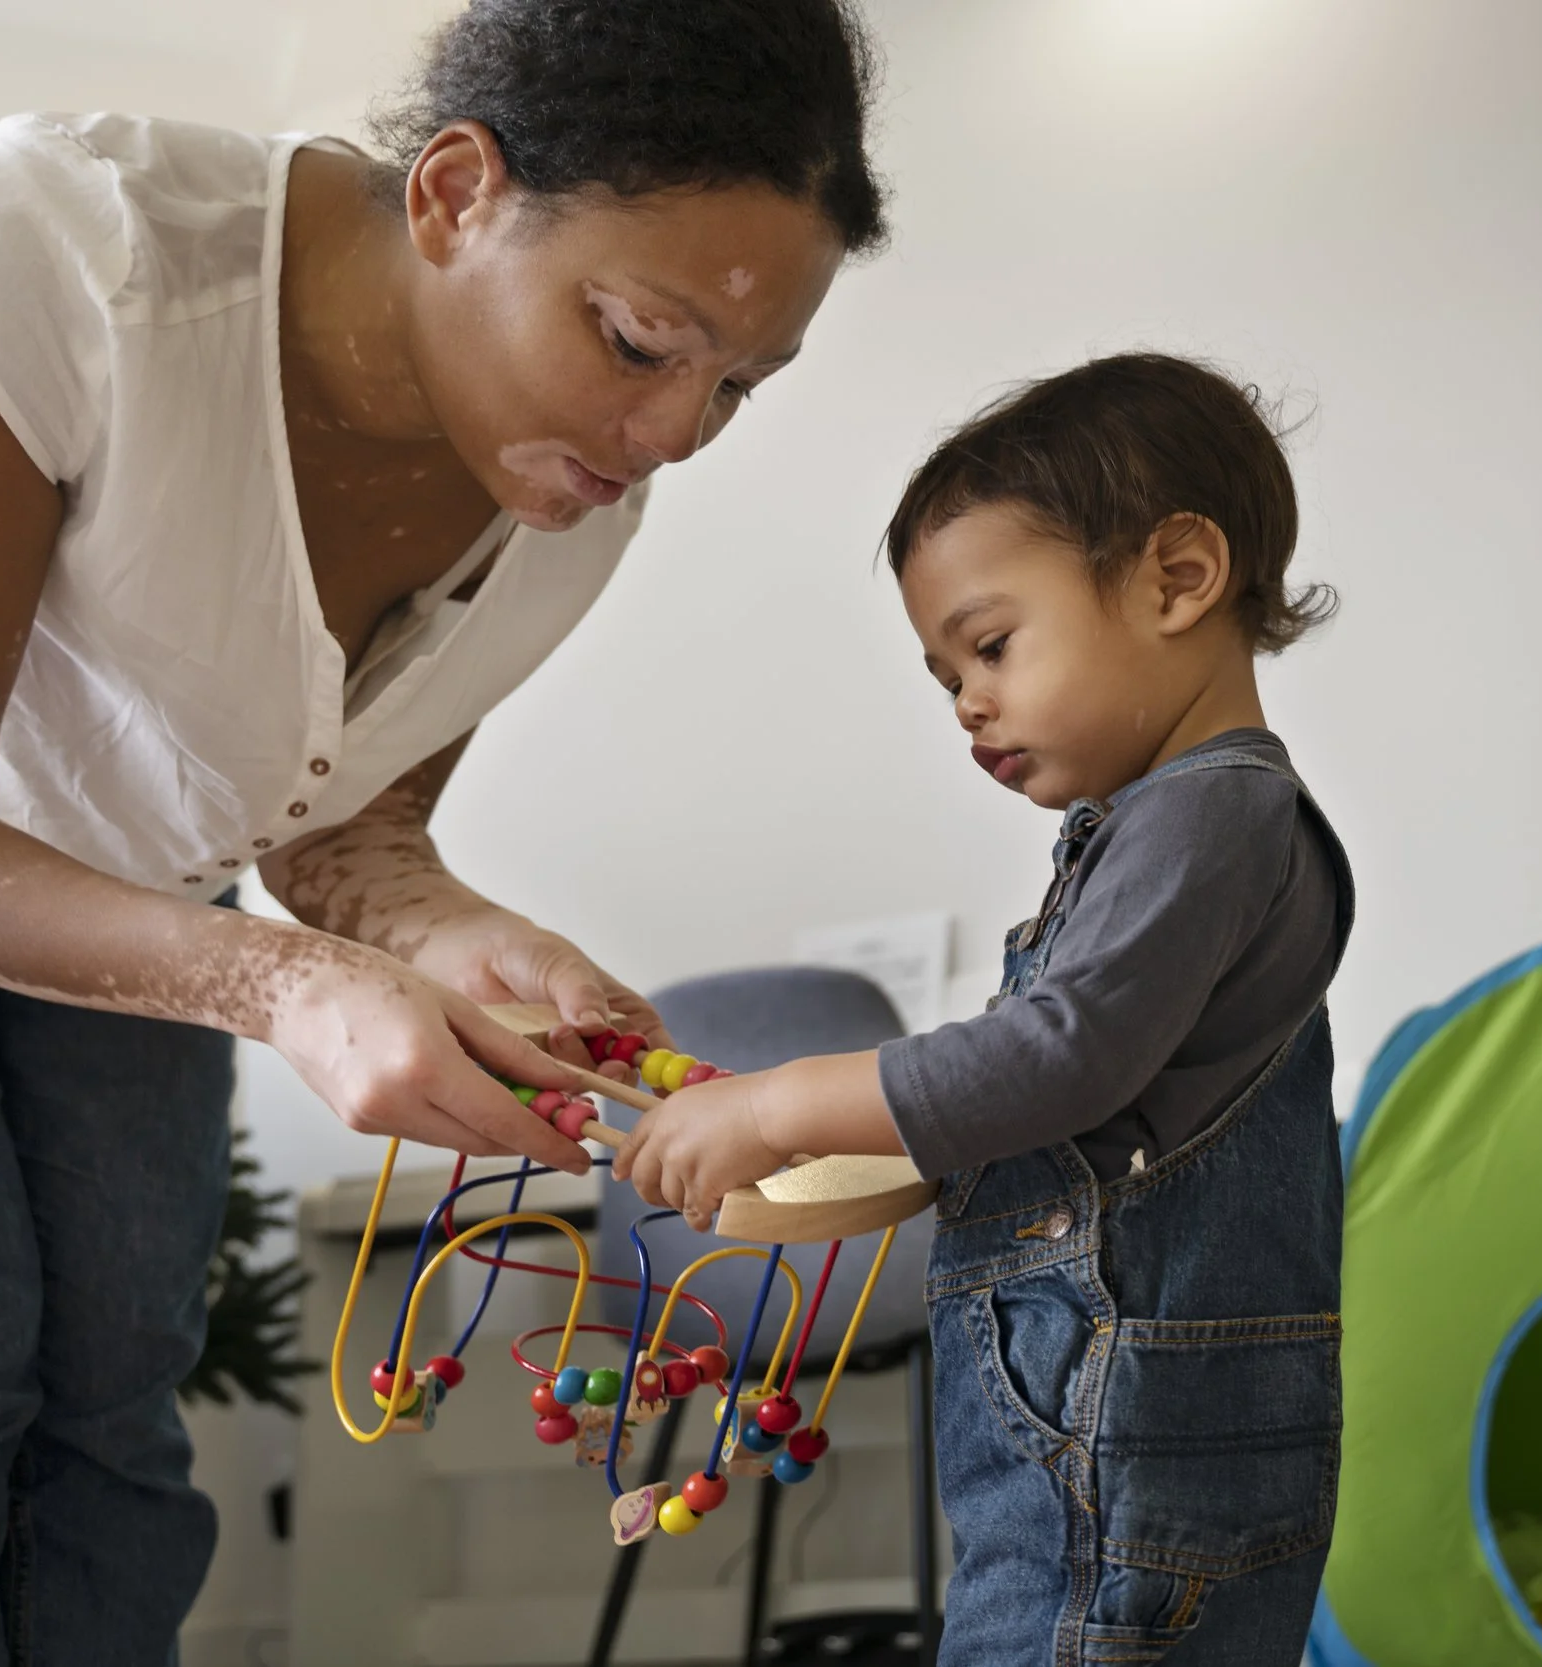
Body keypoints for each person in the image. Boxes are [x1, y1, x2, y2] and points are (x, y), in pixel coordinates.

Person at [0, 3, 886, 1659]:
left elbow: (348, 831)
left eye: (735, 390)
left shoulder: (564, 497)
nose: (668, 438)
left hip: (118, 867)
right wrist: (292, 990)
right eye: (638, 339)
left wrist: (452, 934)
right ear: (456, 193)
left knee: (118, 1397)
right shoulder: (65, 244)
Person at [613, 354, 1355, 1663]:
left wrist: (785, 1098)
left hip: (1125, 1452)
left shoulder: (1208, 811)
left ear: (1178, 578)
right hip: (1115, 1443)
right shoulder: (1159, 823)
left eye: (993, 644)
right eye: (943, 671)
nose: (966, 700)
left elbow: (1056, 1054)